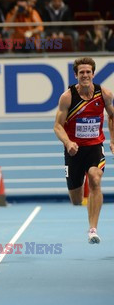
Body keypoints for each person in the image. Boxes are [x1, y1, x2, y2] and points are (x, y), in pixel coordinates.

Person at [53, 57, 114, 244]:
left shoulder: (104, 94)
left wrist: (113, 141)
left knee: (95, 179)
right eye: (82, 72)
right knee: (76, 199)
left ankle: (93, 230)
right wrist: (68, 142)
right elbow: (57, 126)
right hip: (74, 151)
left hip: (95, 147)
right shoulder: (68, 97)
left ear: (93, 74)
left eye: (88, 72)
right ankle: (80, 197)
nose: (85, 75)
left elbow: (112, 116)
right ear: (76, 75)